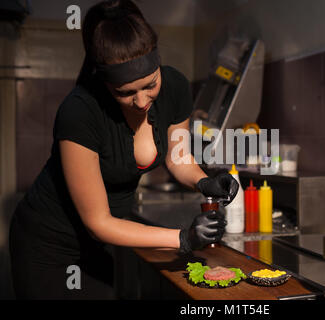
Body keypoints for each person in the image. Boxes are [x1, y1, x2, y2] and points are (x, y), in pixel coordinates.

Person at [9, 0, 238, 300]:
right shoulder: (80, 112)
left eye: (150, 85)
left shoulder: (175, 86)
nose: (142, 101)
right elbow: (99, 222)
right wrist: (183, 239)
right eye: (125, 93)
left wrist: (203, 180)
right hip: (48, 245)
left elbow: (178, 156)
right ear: (106, 84)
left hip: (99, 246)